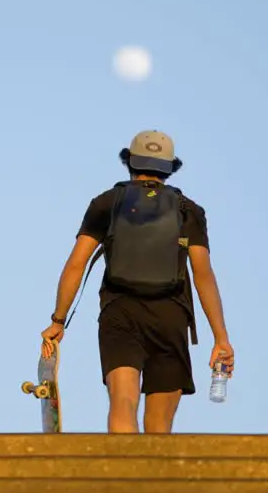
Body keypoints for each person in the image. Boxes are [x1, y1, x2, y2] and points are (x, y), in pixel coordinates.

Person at [40, 130, 234, 434]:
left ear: (129, 161)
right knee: (159, 425)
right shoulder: (189, 211)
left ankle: (121, 477)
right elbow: (203, 274)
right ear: (170, 167)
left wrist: (58, 320)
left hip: (121, 312)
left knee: (123, 403)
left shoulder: (107, 202)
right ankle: (151, 479)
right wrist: (221, 338)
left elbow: (76, 264)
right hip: (171, 316)